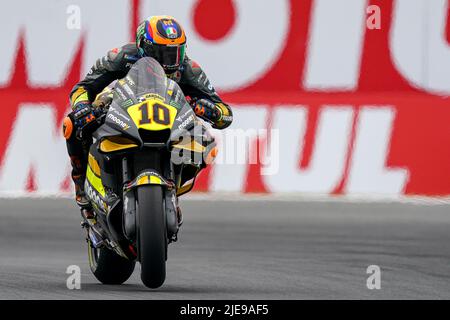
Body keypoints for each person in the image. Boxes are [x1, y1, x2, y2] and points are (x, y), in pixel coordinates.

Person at [64, 15, 233, 208]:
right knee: (72, 123)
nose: (170, 61)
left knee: (207, 144)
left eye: (177, 52)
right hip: (123, 112)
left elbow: (225, 113)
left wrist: (211, 111)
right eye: (161, 53)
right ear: (143, 46)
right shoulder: (121, 56)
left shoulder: (188, 68)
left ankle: (173, 184)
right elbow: (82, 88)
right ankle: (80, 183)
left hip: (170, 120)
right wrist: (82, 106)